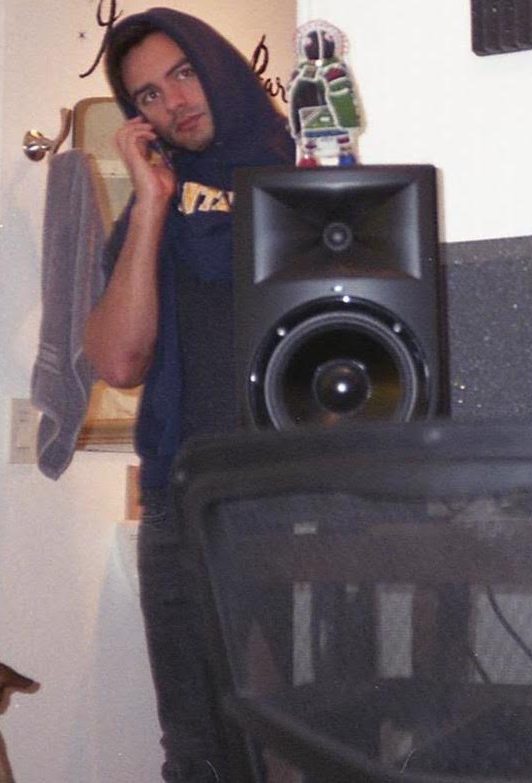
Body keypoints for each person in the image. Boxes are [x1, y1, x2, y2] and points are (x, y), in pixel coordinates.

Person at [83, 8, 294, 781]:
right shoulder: (159, 205)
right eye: (147, 95)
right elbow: (119, 359)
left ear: (217, 66)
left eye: (181, 73)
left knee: (302, 740)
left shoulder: (307, 173)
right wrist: (150, 205)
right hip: (184, 501)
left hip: (300, 500)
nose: (173, 100)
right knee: (199, 753)